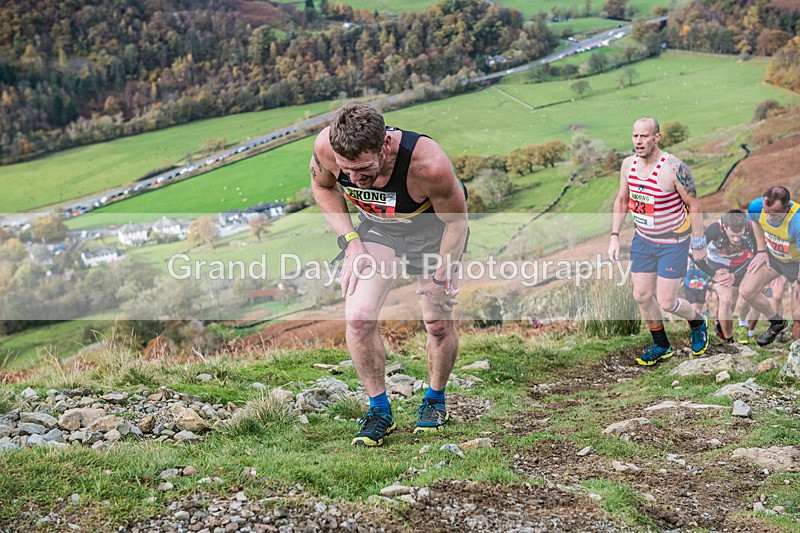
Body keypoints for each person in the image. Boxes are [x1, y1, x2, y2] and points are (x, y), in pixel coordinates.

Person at [309, 103, 469, 446]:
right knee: (359, 319)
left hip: (435, 234)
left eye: (364, 168)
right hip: (380, 231)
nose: (354, 179)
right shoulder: (326, 147)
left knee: (437, 323)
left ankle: (434, 400)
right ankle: (379, 409)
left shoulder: (429, 164)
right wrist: (351, 241)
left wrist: (441, 279)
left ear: (384, 146)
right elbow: (323, 188)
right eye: (346, 169)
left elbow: (456, 223)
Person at [609, 117, 708, 366]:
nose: (638, 142)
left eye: (644, 136)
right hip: (643, 240)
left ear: (657, 137)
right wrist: (614, 237)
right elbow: (622, 201)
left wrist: (698, 242)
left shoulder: (673, 168)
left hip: (672, 242)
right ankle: (661, 346)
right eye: (635, 136)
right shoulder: (627, 165)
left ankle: (697, 322)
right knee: (642, 296)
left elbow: (694, 204)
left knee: (666, 301)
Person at [739, 186, 800, 345]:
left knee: (798, 314)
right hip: (773, 258)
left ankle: (795, 361)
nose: (769, 217)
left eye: (774, 214)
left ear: (787, 208)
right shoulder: (757, 207)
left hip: (796, 264)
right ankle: (777, 322)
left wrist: (798, 281)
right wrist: (761, 250)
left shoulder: (797, 221)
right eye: (767, 212)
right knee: (746, 290)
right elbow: (756, 223)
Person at [692, 209, 762, 343]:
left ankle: (720, 324)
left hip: (739, 265)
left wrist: (735, 275)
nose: (736, 239)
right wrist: (713, 274)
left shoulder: (752, 227)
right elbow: (695, 254)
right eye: (732, 235)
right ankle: (729, 340)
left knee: (733, 302)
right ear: (725, 227)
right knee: (726, 300)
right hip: (717, 265)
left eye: (739, 235)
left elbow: (758, 254)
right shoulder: (714, 229)